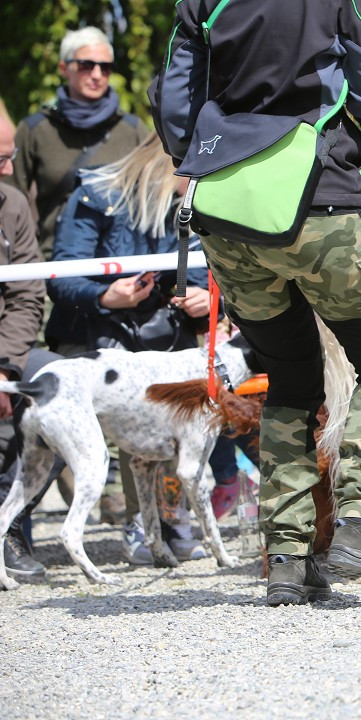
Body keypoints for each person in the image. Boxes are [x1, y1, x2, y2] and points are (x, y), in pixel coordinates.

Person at [153, 0, 361, 605]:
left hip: (227, 212)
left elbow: (175, 113)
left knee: (286, 376)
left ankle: (286, 556)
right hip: (320, 198)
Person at [48, 135, 214, 564]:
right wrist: (106, 296)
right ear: (170, 166)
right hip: (97, 336)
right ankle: (142, 524)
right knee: (139, 414)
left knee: (183, 414)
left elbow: (210, 272)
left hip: (161, 337)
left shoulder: (190, 206)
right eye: (192, 170)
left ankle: (170, 523)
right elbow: (61, 276)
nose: (199, 179)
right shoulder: (94, 195)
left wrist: (205, 300)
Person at [5, 27, 147, 260]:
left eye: (106, 67)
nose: (97, 74)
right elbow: (10, 204)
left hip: (120, 268)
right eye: (86, 65)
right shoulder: (35, 130)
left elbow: (154, 201)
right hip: (53, 265)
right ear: (64, 68)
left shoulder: (132, 130)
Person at [0, 97, 47, 581]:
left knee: (52, 381)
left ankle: (11, 528)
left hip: (4, 348)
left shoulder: (11, 203)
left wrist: (4, 367)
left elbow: (28, 296)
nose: (11, 169)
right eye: (0, 160)